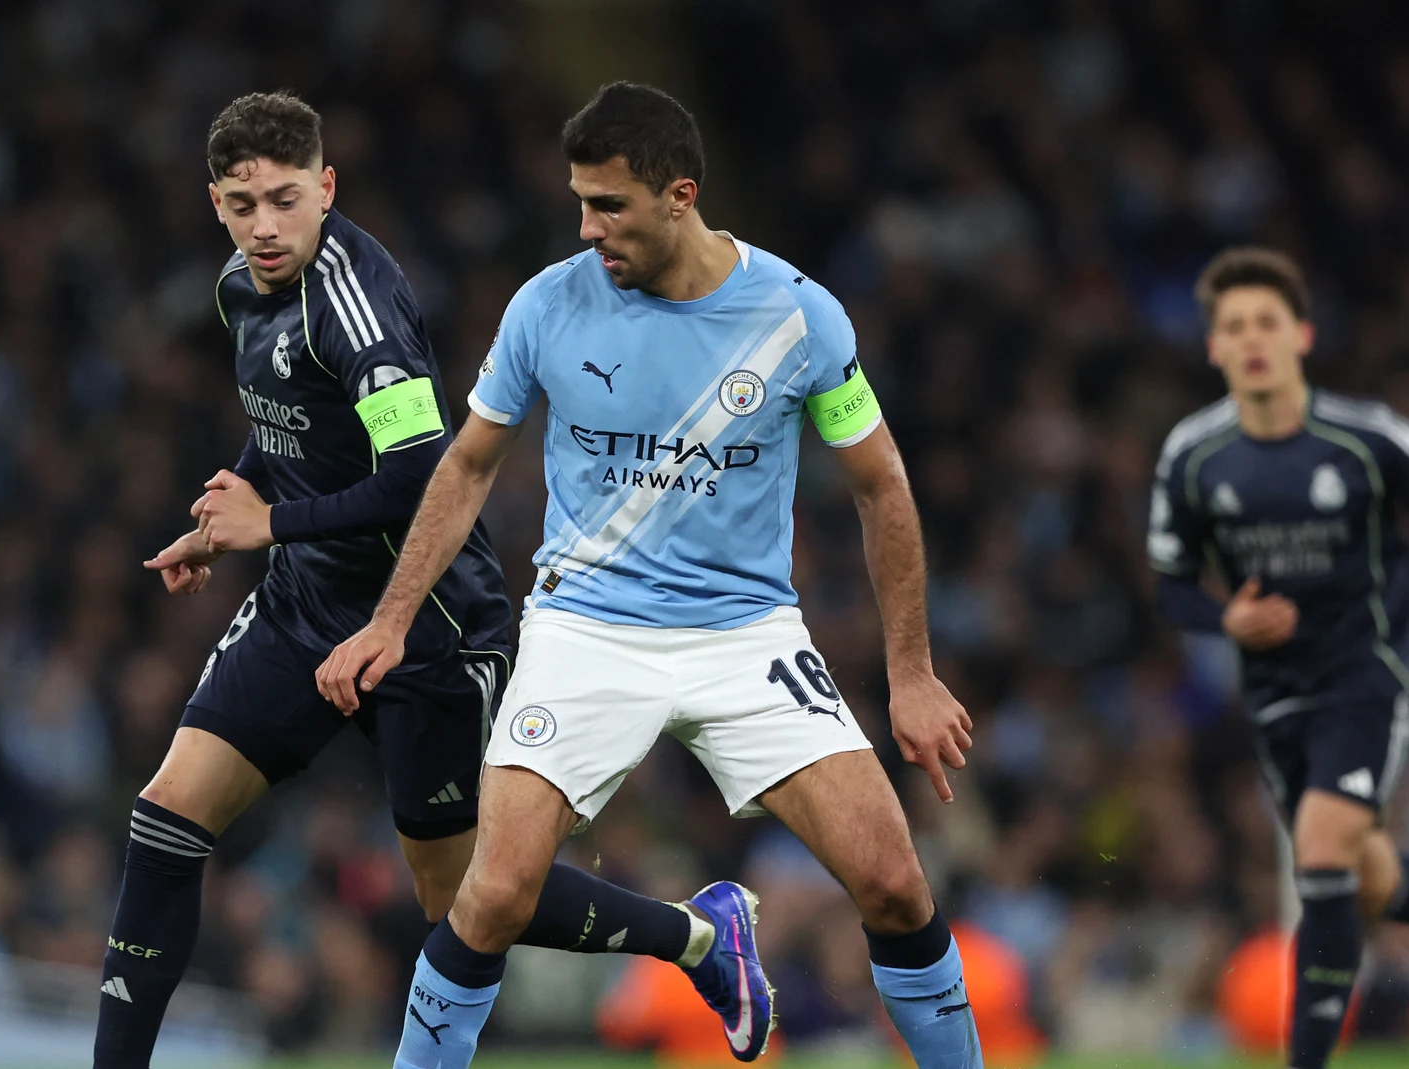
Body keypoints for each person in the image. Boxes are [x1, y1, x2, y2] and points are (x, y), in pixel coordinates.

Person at [319, 82, 983, 1069]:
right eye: (579, 202)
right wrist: (389, 619)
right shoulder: (548, 304)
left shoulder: (800, 319)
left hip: (745, 633)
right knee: (492, 892)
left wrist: (912, 672)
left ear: (681, 195)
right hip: (586, 623)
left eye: (609, 205)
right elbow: (466, 464)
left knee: (892, 880)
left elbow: (882, 487)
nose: (587, 228)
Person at [96, 91, 748, 1068]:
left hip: (429, 620)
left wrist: (265, 524)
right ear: (216, 204)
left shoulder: (354, 300)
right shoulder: (240, 287)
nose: (264, 226)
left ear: (325, 187)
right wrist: (230, 504)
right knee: (166, 817)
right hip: (306, 601)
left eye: (283, 199)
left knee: (463, 900)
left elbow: (419, 472)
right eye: (241, 205)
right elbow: (292, 420)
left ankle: (697, 938)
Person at [1148, 247, 1409, 1068]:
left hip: (1367, 673)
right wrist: (1228, 616)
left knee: (1322, 850)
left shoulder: (1365, 438)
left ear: (1301, 334)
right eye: (1234, 326)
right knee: (1360, 874)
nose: (1252, 339)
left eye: (1267, 321)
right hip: (1275, 693)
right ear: (1213, 348)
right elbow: (1170, 585)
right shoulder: (1192, 455)